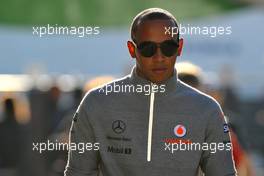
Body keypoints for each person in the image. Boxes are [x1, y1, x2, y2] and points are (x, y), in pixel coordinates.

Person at [64, 8, 237, 176]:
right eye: (148, 48)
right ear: (132, 50)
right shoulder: (96, 102)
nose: (159, 57)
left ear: (180, 47)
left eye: (168, 47)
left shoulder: (207, 109)